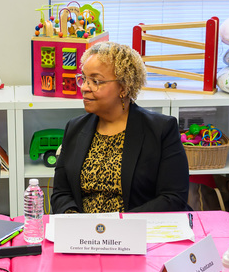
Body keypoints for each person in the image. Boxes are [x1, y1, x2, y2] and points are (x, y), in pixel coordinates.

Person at [50, 41, 189, 214]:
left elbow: (173, 198)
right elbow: (61, 193)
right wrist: (75, 220)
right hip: (83, 233)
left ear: (123, 87)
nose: (85, 88)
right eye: (83, 79)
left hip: (137, 231)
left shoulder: (161, 130)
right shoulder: (75, 128)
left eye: (95, 81)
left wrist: (119, 226)